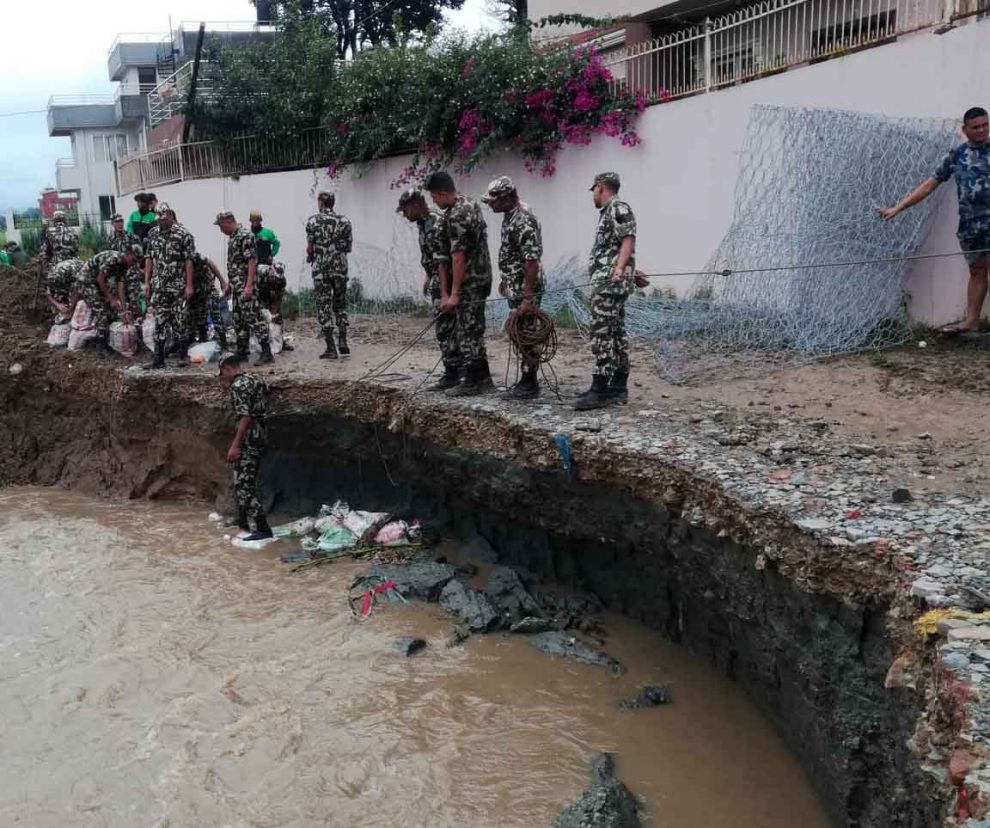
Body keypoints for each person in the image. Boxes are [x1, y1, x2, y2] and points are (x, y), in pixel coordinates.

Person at [877, 107, 990, 334]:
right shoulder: (956, 156)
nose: (982, 130)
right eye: (976, 127)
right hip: (970, 226)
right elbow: (929, 185)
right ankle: (971, 322)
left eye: (985, 125)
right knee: (977, 272)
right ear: (965, 129)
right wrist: (896, 209)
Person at [424, 170, 494, 396]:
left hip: (472, 280)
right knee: (470, 326)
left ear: (444, 193)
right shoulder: (464, 206)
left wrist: (452, 294)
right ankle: (481, 376)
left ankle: (474, 380)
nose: (432, 201)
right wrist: (444, 292)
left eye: (434, 196)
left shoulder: (458, 214)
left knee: (469, 329)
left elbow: (458, 255)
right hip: (473, 278)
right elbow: (444, 257)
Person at [574, 172, 637, 411]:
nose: (593, 196)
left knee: (602, 333)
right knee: (616, 333)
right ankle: (617, 387)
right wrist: (630, 268)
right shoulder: (612, 211)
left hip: (608, 284)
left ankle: (600, 389)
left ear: (600, 188)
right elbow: (616, 246)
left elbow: (627, 239)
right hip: (611, 280)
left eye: (594, 191)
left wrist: (621, 268)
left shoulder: (617, 208)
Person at [482, 176, 545, 399]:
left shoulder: (523, 219)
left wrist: (528, 298)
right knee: (518, 332)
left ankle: (529, 383)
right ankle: (526, 380)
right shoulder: (511, 215)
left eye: (494, 201)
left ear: (507, 198)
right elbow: (514, 253)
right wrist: (506, 279)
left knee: (525, 332)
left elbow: (531, 261)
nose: (491, 205)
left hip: (525, 288)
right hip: (515, 284)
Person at [396, 188, 460, 389]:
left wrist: (444, 293)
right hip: (437, 278)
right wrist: (427, 276)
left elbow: (443, 259)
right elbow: (430, 255)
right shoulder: (423, 223)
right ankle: (454, 370)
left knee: (445, 327)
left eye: (405, 210)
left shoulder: (434, 221)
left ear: (415, 205)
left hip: (445, 281)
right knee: (445, 326)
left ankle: (453, 373)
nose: (405, 215)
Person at [219, 354, 273, 541]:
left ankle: (262, 528)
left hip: (249, 439)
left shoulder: (238, 386)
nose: (222, 377)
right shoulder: (255, 378)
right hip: (260, 434)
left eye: (222, 373)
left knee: (244, 485)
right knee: (243, 480)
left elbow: (245, 417)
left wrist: (235, 445)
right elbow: (267, 392)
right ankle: (243, 522)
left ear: (228, 368)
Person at [215, 211, 273, 365]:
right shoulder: (233, 237)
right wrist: (230, 284)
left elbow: (251, 261)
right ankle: (242, 352)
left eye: (221, 226)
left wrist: (249, 286)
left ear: (227, 222)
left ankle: (267, 353)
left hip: (246, 286)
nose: (221, 230)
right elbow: (236, 265)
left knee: (254, 317)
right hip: (237, 286)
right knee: (239, 320)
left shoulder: (245, 235)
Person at [144, 203, 195, 369]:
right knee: (160, 321)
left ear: (171, 217)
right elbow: (149, 258)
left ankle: (182, 355)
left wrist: (188, 285)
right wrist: (147, 282)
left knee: (180, 320)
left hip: (178, 286)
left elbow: (189, 261)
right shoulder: (152, 234)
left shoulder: (183, 235)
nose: (162, 222)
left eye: (164, 219)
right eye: (159, 219)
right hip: (159, 286)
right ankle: (158, 359)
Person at [306, 192, 353, 359]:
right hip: (340, 269)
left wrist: (311, 256)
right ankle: (343, 341)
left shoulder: (313, 221)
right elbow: (347, 247)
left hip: (321, 271)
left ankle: (331, 347)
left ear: (321, 203)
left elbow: (310, 249)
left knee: (324, 306)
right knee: (340, 305)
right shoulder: (345, 221)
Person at [71, 247, 141, 357]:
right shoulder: (114, 259)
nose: (133, 263)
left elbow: (120, 286)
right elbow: (100, 278)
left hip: (96, 282)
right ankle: (101, 347)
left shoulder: (124, 265)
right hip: (86, 281)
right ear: (127, 254)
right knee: (101, 311)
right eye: (133, 260)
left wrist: (123, 309)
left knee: (111, 309)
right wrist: (111, 298)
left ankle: (106, 340)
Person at [189, 252, 231, 349]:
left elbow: (211, 264)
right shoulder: (175, 260)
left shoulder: (193, 255)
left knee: (215, 314)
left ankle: (224, 345)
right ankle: (202, 341)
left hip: (207, 288)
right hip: (195, 291)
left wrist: (222, 281)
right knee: (198, 317)